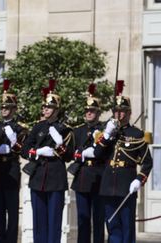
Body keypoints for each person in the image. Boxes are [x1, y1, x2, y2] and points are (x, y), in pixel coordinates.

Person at [94, 80, 153, 243]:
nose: (119, 114)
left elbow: (147, 162)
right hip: (107, 186)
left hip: (126, 185)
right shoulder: (107, 131)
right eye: (116, 111)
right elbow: (97, 154)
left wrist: (139, 180)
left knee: (127, 227)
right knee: (111, 225)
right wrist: (106, 136)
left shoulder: (137, 134)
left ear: (129, 113)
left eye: (122, 111)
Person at [22, 82, 74, 243]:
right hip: (37, 178)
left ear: (57, 110)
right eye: (44, 106)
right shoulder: (38, 127)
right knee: (39, 221)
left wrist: (60, 144)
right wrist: (37, 152)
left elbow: (69, 156)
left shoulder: (65, 129)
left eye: (49, 107)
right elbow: (25, 150)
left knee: (54, 221)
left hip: (56, 178)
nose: (45, 109)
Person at [0, 80, 28, 243]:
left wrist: (13, 141)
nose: (4, 110)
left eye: (8, 107)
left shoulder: (19, 128)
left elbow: (23, 149)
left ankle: (11, 240)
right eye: (2, 107)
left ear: (14, 109)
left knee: (11, 209)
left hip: (11, 169)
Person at [69, 83, 105, 243]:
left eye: (92, 111)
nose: (89, 113)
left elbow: (106, 151)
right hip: (82, 177)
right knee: (83, 220)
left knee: (98, 220)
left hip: (99, 177)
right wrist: (78, 154)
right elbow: (70, 151)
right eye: (87, 111)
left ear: (98, 113)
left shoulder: (104, 129)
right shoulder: (78, 130)